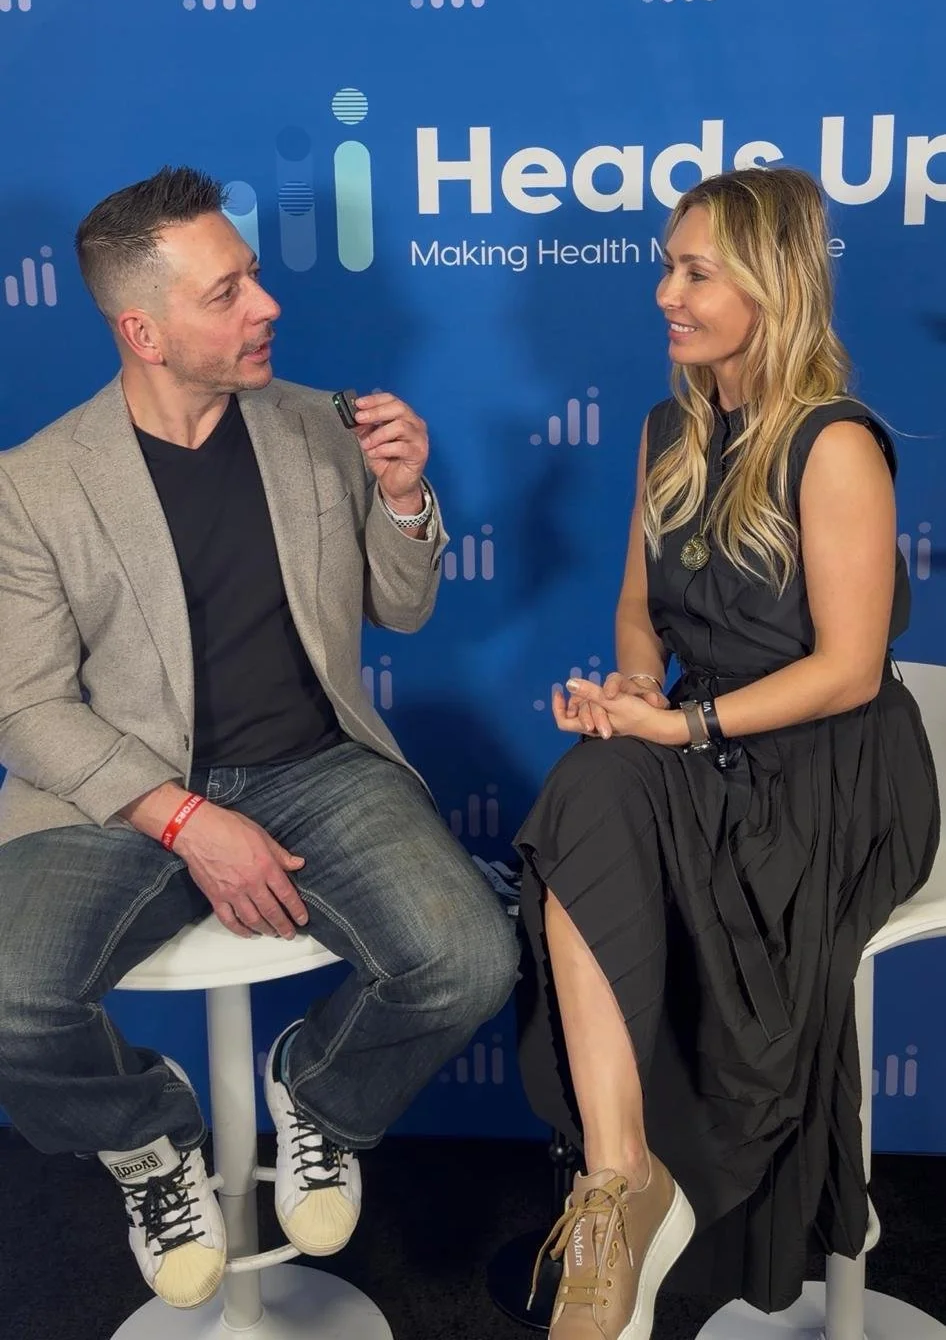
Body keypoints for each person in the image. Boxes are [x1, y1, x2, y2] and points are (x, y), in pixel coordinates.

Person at [0, 166, 518, 1311]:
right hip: (123, 795)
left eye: (255, 277)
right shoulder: (34, 485)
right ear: (143, 328)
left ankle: (319, 1097)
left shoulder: (317, 423)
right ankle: (144, 1143)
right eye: (227, 291)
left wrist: (401, 498)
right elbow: (26, 707)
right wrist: (185, 819)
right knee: (8, 995)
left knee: (471, 957)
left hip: (318, 765)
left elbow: (403, 608)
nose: (266, 304)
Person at [514, 167, 940, 1339]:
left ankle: (671, 1186)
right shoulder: (668, 427)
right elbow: (638, 613)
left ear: (772, 282)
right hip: (701, 741)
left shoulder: (833, 442)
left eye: (695, 270)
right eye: (667, 265)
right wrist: (634, 695)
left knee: (614, 790)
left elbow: (848, 668)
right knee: (586, 790)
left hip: (836, 769)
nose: (665, 291)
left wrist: (682, 727)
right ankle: (616, 1184)